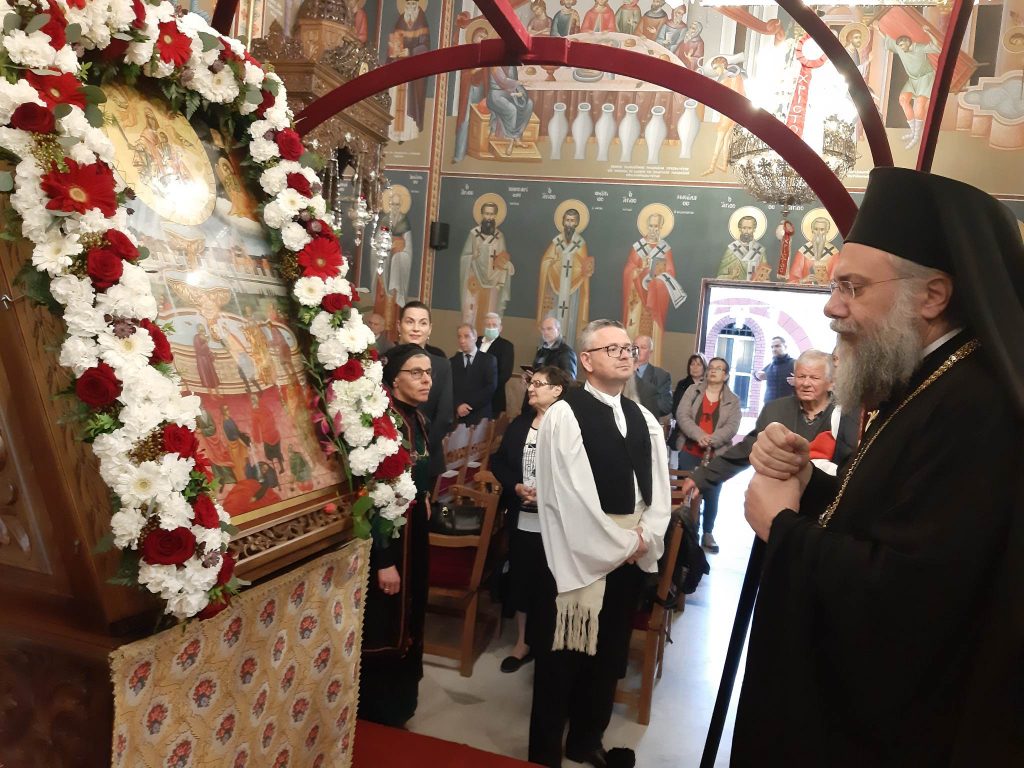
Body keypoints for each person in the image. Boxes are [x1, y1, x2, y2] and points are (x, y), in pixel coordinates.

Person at [733, 167, 1024, 765]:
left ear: (933, 296)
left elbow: (909, 598)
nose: (831, 307)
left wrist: (782, 528)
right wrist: (806, 482)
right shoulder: (925, 380)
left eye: (853, 287)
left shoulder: (975, 404)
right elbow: (884, 512)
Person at [529, 320, 670, 768]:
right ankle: (544, 753)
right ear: (587, 360)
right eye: (613, 348)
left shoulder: (642, 417)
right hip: (578, 553)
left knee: (609, 655)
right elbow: (567, 496)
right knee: (563, 657)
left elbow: (659, 489)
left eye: (629, 348)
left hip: (630, 551)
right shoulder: (564, 415)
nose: (626, 354)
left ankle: (587, 740)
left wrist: (646, 535)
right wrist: (622, 543)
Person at [682, 350, 857, 552]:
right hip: (776, 516)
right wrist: (703, 476)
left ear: (830, 382)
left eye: (814, 378)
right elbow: (745, 450)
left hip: (822, 520)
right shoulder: (776, 410)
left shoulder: (847, 415)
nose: (806, 383)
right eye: (801, 376)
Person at [359, 343, 433, 727]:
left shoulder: (416, 418)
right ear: (394, 379)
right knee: (387, 620)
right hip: (391, 540)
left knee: (412, 610)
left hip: (414, 529)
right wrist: (384, 560)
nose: (426, 380)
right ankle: (379, 712)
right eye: (416, 373)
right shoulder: (384, 423)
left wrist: (427, 496)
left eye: (428, 372)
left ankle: (403, 704)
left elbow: (421, 470)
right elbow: (373, 495)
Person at [490, 365, 574, 674]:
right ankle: (523, 641)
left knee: (550, 583)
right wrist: (515, 486)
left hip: (557, 522)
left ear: (557, 390)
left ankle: (549, 642)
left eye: (538, 383)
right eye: (531, 383)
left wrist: (549, 493)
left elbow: (577, 474)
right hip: (523, 518)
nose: (530, 388)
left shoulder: (569, 427)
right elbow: (498, 462)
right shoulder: (520, 424)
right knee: (522, 578)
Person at [674, 357, 741, 553]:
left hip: (716, 454)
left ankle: (707, 532)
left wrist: (712, 439)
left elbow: (732, 426)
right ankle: (684, 531)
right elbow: (682, 415)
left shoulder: (733, 400)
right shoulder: (693, 391)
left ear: (725, 375)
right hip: (690, 449)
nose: (713, 371)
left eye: (719, 369)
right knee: (686, 492)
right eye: (711, 367)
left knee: (712, 494)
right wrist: (699, 435)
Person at [397, 301, 453, 483]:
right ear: (399, 325)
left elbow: (444, 416)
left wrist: (420, 450)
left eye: (422, 323)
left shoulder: (442, 365)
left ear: (430, 329)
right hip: (387, 455)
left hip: (427, 457)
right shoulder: (383, 362)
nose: (416, 328)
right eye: (409, 321)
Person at [537, 205, 593, 350]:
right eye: (567, 220)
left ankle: (567, 349)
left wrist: (580, 270)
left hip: (573, 289)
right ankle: (547, 350)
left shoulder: (580, 243)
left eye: (572, 221)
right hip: (554, 287)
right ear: (563, 221)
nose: (569, 224)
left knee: (570, 319)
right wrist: (554, 266)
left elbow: (584, 267)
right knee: (551, 316)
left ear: (577, 223)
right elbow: (546, 261)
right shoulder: (556, 242)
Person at [883, 28, 941, 149]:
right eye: (899, 45)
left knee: (920, 102)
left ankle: (916, 136)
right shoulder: (900, 48)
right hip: (913, 79)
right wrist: (878, 29)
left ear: (908, 43)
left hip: (925, 77)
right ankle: (914, 132)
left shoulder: (919, 48)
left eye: (902, 45)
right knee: (903, 99)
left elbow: (936, 47)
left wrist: (929, 32)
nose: (900, 47)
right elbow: (887, 40)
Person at [386, 0, 431, 143]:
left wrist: (410, 51)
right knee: (395, 97)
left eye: (413, 3)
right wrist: (394, 51)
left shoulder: (422, 21)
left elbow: (425, 47)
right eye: (409, 3)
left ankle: (408, 132)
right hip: (399, 66)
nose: (411, 6)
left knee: (410, 100)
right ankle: (394, 132)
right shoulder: (401, 20)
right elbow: (394, 42)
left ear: (418, 5)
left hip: (414, 69)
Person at [450, 323, 497, 426]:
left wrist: (468, 406)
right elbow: (449, 388)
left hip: (480, 415)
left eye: (466, 336)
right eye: (459, 337)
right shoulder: (452, 362)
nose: (462, 340)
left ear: (475, 337)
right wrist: (458, 405)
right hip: (458, 416)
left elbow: (490, 387)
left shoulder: (488, 360)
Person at [486, 65, 535, 156]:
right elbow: (503, 81)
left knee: (529, 104)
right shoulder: (495, 66)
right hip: (496, 94)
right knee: (511, 110)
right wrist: (520, 82)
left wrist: (521, 93)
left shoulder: (512, 66)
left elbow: (516, 85)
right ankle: (511, 140)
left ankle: (517, 136)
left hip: (511, 93)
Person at [477, 312, 515, 416]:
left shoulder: (506, 346)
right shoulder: (476, 341)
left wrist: (485, 388)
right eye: (488, 325)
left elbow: (505, 374)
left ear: (500, 328)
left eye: (494, 325)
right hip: (471, 395)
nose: (491, 328)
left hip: (493, 397)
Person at [633, 335, 672, 420]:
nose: (638, 350)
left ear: (650, 352)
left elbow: (665, 406)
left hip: (647, 422)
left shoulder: (661, 376)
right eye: (635, 347)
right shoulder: (620, 371)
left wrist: (636, 405)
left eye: (643, 347)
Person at [718, 214, 767, 281]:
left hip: (754, 287)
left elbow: (765, 277)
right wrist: (731, 276)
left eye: (749, 228)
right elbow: (720, 277)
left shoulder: (759, 250)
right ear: (740, 229)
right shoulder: (731, 249)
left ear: (754, 229)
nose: (746, 231)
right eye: (744, 228)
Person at [754, 336, 795, 401]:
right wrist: (756, 374)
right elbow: (758, 374)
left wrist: (799, 382)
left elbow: (810, 381)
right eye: (772, 347)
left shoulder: (795, 364)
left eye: (777, 346)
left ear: (785, 347)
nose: (774, 349)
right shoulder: (771, 366)